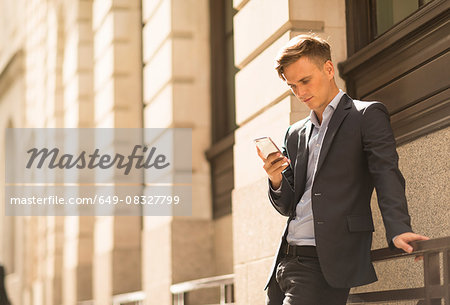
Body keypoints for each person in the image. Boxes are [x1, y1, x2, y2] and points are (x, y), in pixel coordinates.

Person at [256, 34, 429, 305]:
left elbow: (387, 173)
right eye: (292, 86)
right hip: (285, 262)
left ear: (328, 69)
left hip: (324, 263)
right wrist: (275, 178)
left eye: (305, 81)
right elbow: (289, 206)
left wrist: (398, 229)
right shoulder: (295, 133)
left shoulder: (366, 116)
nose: (300, 93)